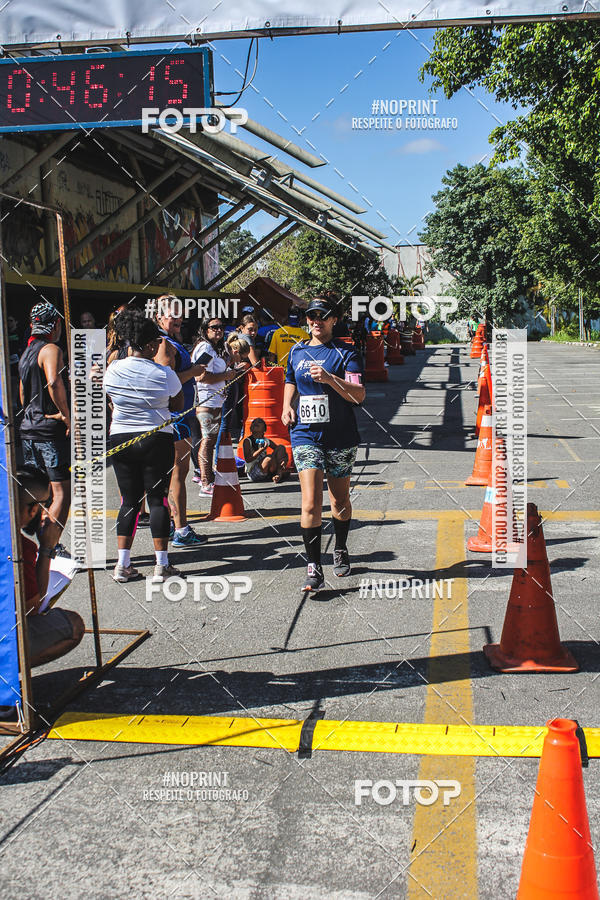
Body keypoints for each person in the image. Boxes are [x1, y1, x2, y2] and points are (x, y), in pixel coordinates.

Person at [282, 295, 365, 592]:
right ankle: (314, 566)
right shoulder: (297, 351)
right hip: (305, 434)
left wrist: (331, 379)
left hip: (340, 435)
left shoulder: (346, 352)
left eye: (322, 315)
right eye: (310, 316)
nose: (315, 320)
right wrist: (285, 405)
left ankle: (340, 546)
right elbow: (290, 378)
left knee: (339, 500)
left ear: (333, 319)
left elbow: (358, 395)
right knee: (310, 501)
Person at [104, 309, 185, 582]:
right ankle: (162, 564)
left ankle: (122, 565)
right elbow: (178, 404)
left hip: (121, 438)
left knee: (129, 501)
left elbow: (111, 399)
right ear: (150, 345)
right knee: (158, 499)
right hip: (156, 437)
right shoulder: (164, 374)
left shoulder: (113, 369)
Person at [154, 295, 207, 548]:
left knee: (178, 472)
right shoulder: (164, 344)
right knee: (177, 472)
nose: (178, 319)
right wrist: (194, 372)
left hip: (180, 416)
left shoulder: (170, 341)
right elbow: (167, 380)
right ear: (159, 317)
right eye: (171, 315)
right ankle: (180, 529)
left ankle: (177, 527)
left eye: (180, 315)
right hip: (175, 418)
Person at [17, 466, 84, 667]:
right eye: (46, 504)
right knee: (73, 625)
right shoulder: (21, 547)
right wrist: (46, 548)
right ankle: (9, 670)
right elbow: (31, 609)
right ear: (33, 509)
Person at [18, 302, 71, 556]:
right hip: (49, 430)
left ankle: (40, 541)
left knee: (41, 489)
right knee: (61, 492)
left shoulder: (28, 351)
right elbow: (53, 381)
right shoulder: (51, 349)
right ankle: (51, 547)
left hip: (28, 428)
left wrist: (31, 412)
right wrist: (67, 415)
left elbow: (21, 391)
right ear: (56, 325)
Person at [191, 317, 236, 495]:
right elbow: (201, 376)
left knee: (209, 441)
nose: (218, 330)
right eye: (214, 327)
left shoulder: (213, 347)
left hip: (215, 401)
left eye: (221, 327)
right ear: (205, 329)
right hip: (206, 401)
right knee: (208, 441)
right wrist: (227, 375)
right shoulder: (206, 347)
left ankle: (207, 479)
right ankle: (205, 482)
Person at [243, 417, 288, 483]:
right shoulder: (247, 441)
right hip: (253, 472)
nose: (256, 423)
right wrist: (261, 450)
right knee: (269, 458)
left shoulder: (266, 440)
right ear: (250, 428)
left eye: (259, 422)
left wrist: (284, 459)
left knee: (281, 447)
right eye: (254, 422)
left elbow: (280, 451)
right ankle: (278, 474)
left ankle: (278, 474)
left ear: (264, 429)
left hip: (266, 469)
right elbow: (248, 459)